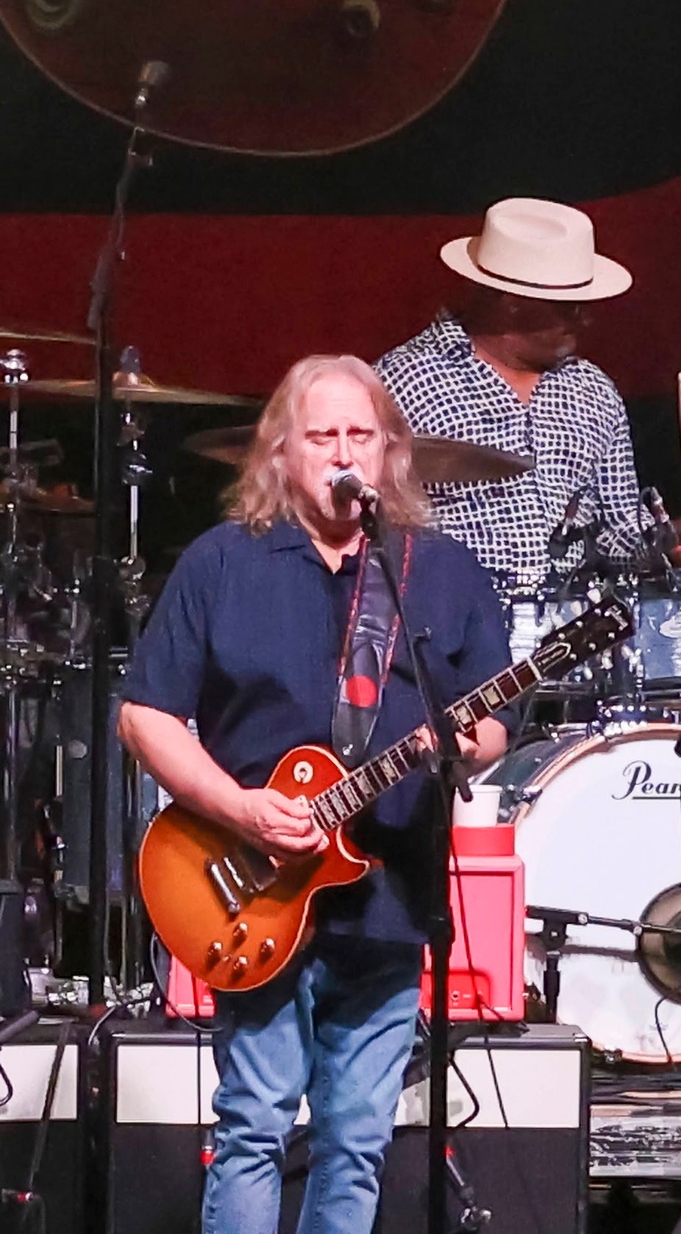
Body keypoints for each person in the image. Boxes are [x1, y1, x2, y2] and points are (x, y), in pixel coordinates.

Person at [120, 356, 514, 1234]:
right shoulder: (224, 562)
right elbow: (146, 717)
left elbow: (492, 725)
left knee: (358, 1138)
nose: (344, 455)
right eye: (323, 436)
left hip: (388, 893)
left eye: (361, 436)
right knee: (256, 1123)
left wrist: (463, 740)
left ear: (390, 452)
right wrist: (242, 808)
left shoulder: (440, 573)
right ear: (282, 454)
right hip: (250, 887)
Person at [376, 197, 681, 602]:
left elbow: (615, 536)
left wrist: (665, 542)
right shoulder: (402, 380)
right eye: (568, 306)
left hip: (574, 632)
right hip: (444, 625)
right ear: (511, 302)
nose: (584, 317)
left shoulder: (593, 391)